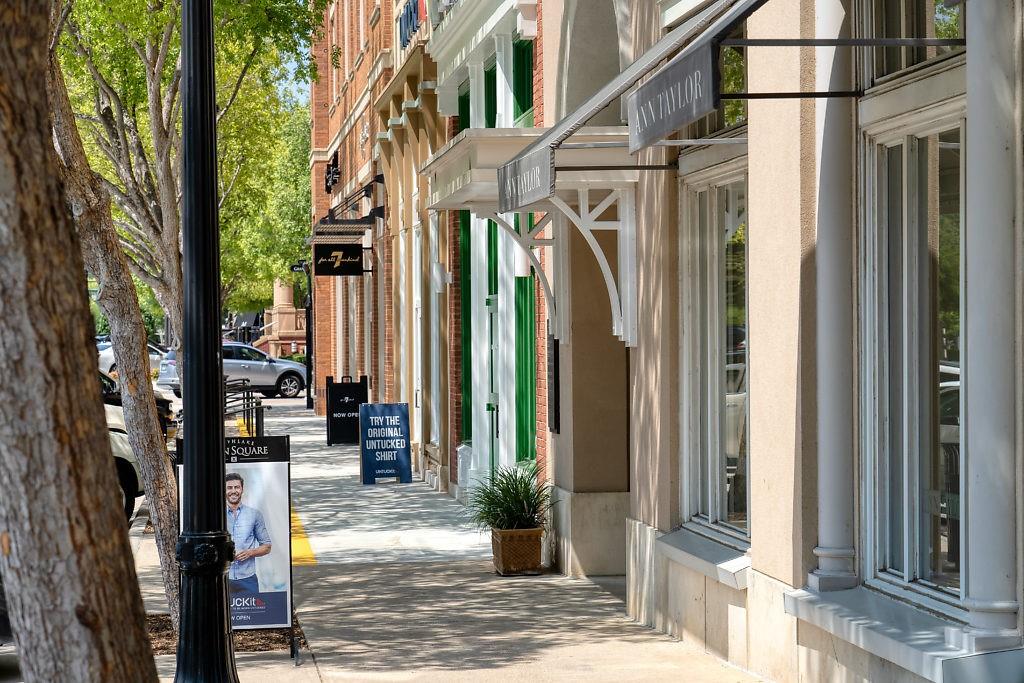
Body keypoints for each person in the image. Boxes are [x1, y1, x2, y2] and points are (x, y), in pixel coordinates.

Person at [225, 472, 272, 594]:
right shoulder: (216, 516)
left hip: (248, 579)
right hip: (223, 577)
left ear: (242, 489)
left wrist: (250, 553)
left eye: (237, 487)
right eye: (229, 488)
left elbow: (267, 546)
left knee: (253, 607)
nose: (233, 491)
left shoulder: (254, 515)